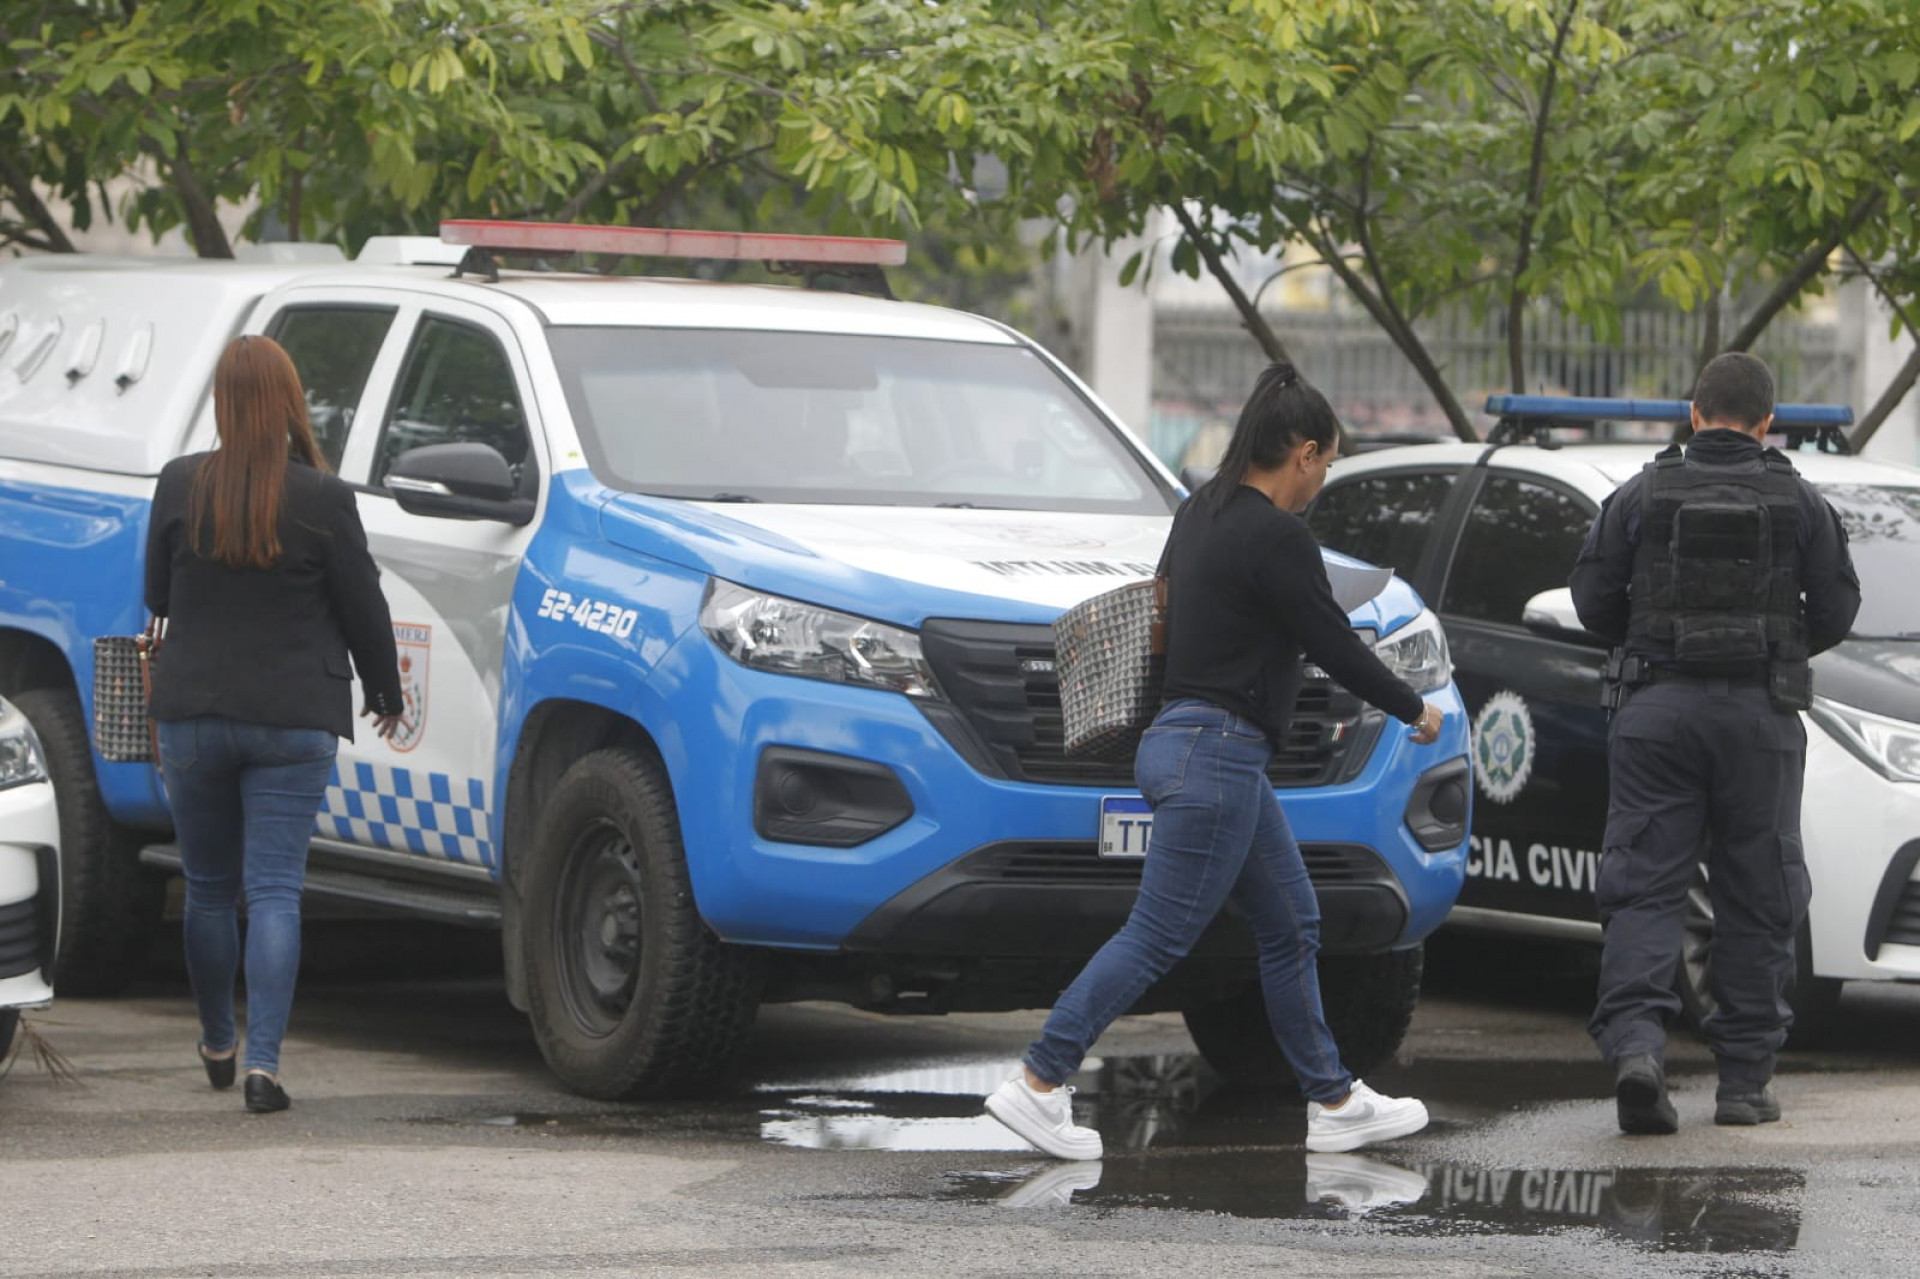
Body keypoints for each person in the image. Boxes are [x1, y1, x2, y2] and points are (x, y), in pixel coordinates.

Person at [984, 362, 1446, 1160]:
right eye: (1327, 465)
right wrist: (1415, 705)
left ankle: (1332, 1098)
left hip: (1184, 741)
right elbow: (1331, 639)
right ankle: (1039, 1080)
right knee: (1159, 933)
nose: (1322, 482)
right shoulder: (1278, 535)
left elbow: (1178, 605)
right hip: (1220, 752)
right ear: (1302, 452)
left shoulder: (1200, 512)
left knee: (1291, 919)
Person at [1569, 352, 1860, 1134]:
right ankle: (1743, 1083)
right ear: (1769, 424)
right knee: (1758, 896)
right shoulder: (1800, 500)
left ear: (1693, 414)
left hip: (1656, 711)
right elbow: (1836, 610)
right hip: (1759, 719)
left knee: (1645, 887)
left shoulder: (1639, 493)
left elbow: (1592, 601)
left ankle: (1638, 1052)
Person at [145, 335, 405, 1114]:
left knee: (207, 890)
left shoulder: (180, 484)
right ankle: (263, 1065)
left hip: (193, 714)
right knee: (275, 893)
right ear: (290, 401)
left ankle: (217, 1042)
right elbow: (365, 605)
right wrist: (386, 692)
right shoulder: (323, 499)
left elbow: (158, 594)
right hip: (293, 720)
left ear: (223, 403)